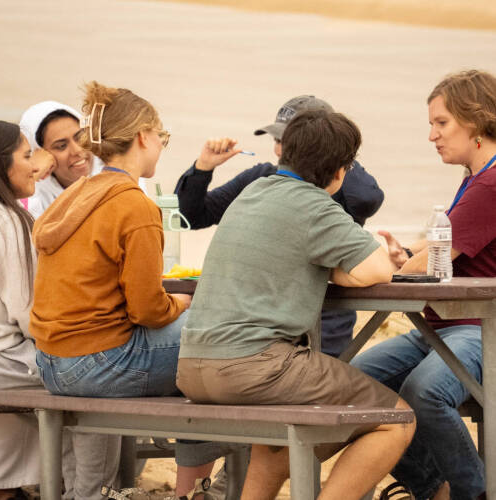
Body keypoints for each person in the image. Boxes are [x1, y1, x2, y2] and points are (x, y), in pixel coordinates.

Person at [176, 108, 416, 500]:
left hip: (193, 365)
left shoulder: (252, 192)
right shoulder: (316, 207)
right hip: (254, 366)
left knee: (280, 444)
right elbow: (378, 270)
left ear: (284, 154)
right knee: (396, 419)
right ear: (341, 171)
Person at [29, 81, 217, 499]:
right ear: (143, 137)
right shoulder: (134, 204)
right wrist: (180, 303)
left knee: (206, 342)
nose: (162, 146)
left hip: (52, 361)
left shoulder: (76, 193)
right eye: (162, 137)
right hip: (99, 364)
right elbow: (147, 310)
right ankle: (204, 487)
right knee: (223, 342)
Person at [351, 69, 496, 500]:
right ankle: (434, 489)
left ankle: (471, 494)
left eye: (442, 123)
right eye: (431, 124)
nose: (432, 135)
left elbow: (436, 257)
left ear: (476, 119)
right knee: (355, 385)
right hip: (441, 326)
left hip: (479, 327)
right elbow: (444, 240)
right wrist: (405, 254)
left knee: (425, 392)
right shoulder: (475, 175)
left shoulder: (491, 182)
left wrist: (390, 265)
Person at [175, 95, 384, 357]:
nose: (279, 150)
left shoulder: (344, 186)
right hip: (264, 326)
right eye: (277, 140)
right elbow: (191, 216)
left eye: (289, 140)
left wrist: (336, 155)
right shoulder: (261, 179)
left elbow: (369, 198)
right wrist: (202, 168)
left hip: (326, 319)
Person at [0, 121, 41, 500]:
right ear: (2, 164)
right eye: (27, 155)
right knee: (95, 373)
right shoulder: (9, 221)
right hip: (3, 361)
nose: (35, 165)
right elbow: (29, 316)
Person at [19, 101, 147, 219]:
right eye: (61, 146)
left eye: (80, 137)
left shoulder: (120, 172)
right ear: (39, 153)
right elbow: (25, 234)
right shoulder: (35, 194)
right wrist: (32, 174)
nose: (78, 150)